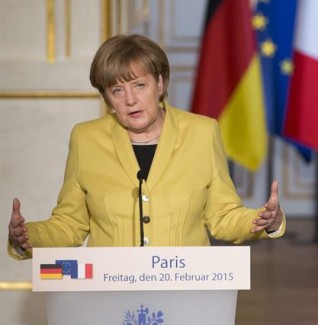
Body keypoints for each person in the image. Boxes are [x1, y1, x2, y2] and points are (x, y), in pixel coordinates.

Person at [7, 34, 285, 259]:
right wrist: (29, 236)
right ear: (107, 98)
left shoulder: (202, 132)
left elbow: (222, 216)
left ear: (160, 83)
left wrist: (264, 220)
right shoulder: (86, 139)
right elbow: (71, 224)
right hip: (109, 292)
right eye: (117, 90)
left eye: (139, 85)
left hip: (184, 289)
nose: (130, 99)